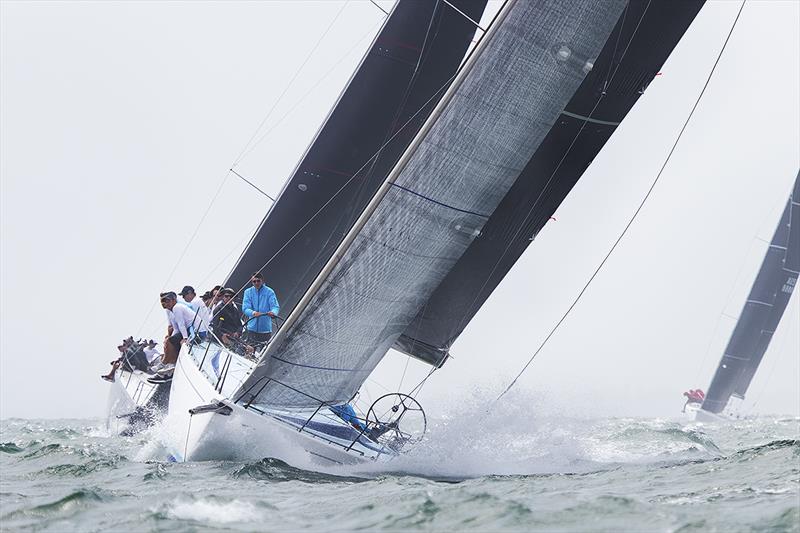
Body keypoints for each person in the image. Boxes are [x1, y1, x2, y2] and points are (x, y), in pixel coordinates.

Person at [242, 272, 279, 345]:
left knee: (264, 352)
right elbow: (245, 308)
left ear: (262, 280)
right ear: (251, 282)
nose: (256, 283)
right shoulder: (247, 292)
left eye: (258, 281)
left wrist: (273, 313)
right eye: (254, 281)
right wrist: (253, 313)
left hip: (265, 330)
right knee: (248, 352)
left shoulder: (269, 292)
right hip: (251, 329)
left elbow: (275, 306)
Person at [160, 291, 197, 364]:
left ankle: (169, 362)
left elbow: (181, 324)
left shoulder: (177, 307)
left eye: (167, 301)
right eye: (162, 301)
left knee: (171, 340)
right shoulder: (169, 310)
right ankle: (168, 361)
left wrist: (185, 338)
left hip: (193, 329)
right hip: (186, 329)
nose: (164, 303)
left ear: (174, 300)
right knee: (168, 340)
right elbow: (174, 327)